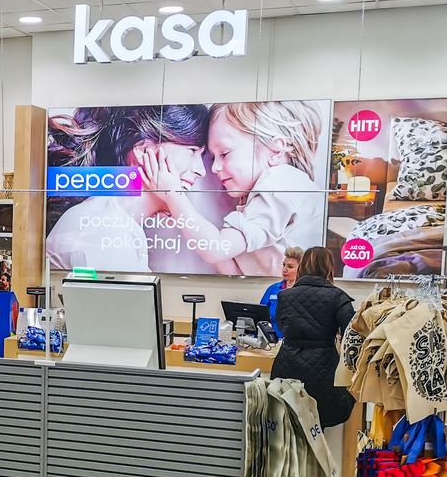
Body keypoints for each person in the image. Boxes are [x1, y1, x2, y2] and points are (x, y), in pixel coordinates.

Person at [140, 101, 325, 276]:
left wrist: (173, 196)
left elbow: (217, 249)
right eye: (213, 158)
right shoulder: (268, 193)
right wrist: (181, 214)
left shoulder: (281, 183)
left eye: (225, 153)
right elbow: (235, 271)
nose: (214, 168)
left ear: (275, 151)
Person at [45, 105, 209, 272]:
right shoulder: (106, 229)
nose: (201, 170)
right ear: (144, 151)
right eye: (192, 150)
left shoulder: (114, 221)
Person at [271, 246, 355, 428]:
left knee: (288, 425)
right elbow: (351, 332)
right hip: (324, 366)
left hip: (287, 363)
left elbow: (281, 325)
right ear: (328, 267)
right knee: (317, 425)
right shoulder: (338, 297)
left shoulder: (285, 296)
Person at [259, 245, 303, 335]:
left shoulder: (304, 291)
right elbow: (260, 314)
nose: (284, 269)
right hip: (272, 342)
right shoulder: (273, 289)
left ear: (301, 269)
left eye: (290, 267)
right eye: (284, 265)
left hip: (294, 342)